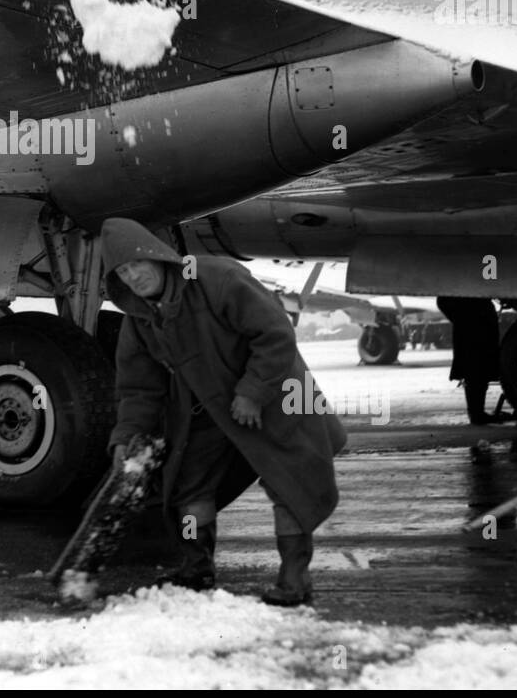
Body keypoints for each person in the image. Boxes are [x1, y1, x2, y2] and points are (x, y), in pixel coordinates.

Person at [102, 217, 347, 605]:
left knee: (291, 484)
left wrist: (252, 391)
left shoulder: (218, 278)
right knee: (187, 486)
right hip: (209, 410)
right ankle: (195, 569)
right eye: (123, 272)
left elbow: (275, 334)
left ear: (157, 256)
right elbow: (138, 389)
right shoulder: (140, 320)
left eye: (136, 264)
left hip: (279, 395)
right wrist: (126, 436)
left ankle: (294, 581)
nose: (133, 277)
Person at [435, 295, 503, 424]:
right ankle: (477, 414)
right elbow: (491, 275)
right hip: (474, 329)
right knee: (476, 372)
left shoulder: (467, 288)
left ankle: (477, 413)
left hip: (475, 327)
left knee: (478, 372)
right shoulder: (483, 278)